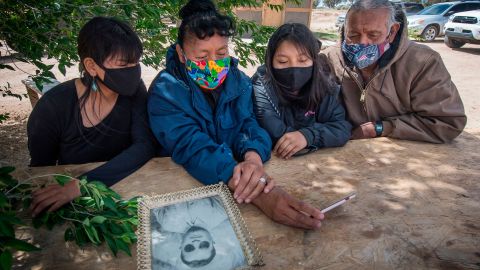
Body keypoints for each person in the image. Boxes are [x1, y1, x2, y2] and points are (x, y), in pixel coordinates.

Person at [148, 0, 324, 229]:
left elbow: (249, 125)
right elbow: (191, 145)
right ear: (181, 53)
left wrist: (253, 157)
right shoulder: (165, 91)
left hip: (236, 179)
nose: (213, 64)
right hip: (185, 192)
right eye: (202, 57)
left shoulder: (239, 81)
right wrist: (259, 193)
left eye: (221, 53)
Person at [27, 17, 156, 217]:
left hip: (128, 195)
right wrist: (71, 190)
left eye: (135, 62)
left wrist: (81, 185)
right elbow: (40, 172)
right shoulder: (53, 107)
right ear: (92, 66)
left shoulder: (135, 91)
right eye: (123, 64)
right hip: (77, 207)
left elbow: (145, 146)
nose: (133, 71)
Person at [323, 0, 467, 143]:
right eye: (353, 35)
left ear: (392, 32)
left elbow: (447, 123)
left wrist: (382, 128)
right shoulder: (328, 59)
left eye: (373, 35)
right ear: (345, 29)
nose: (362, 43)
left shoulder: (423, 62)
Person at [252, 23, 351, 159]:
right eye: (282, 61)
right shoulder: (261, 86)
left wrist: (308, 136)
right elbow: (277, 134)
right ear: (270, 61)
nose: (294, 69)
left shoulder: (323, 84)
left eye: (303, 60)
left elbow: (342, 128)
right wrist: (320, 135)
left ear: (314, 61)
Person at [151, 197, 245, 269]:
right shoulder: (221, 213)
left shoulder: (167, 224)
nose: (196, 242)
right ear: (213, 242)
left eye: (189, 248)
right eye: (203, 245)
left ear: (181, 246)